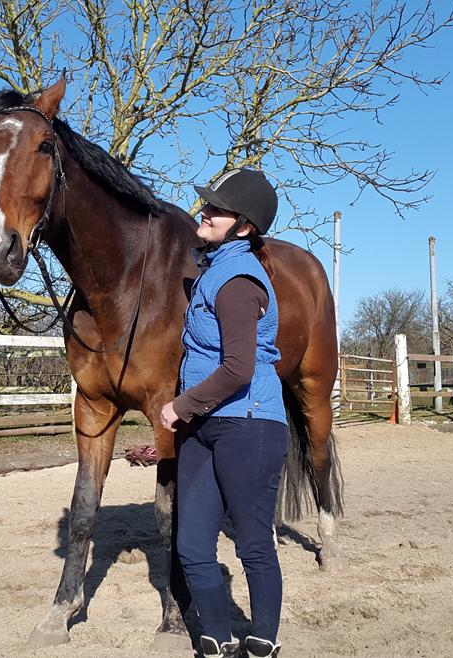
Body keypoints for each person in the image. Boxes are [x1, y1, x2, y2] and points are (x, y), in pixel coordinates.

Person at [159, 168, 287, 658]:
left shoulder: (237, 280)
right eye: (206, 204)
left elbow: (238, 368)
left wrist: (179, 406)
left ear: (244, 227)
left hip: (249, 426)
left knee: (253, 544)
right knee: (191, 546)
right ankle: (217, 639)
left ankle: (264, 642)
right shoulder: (212, 271)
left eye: (216, 208)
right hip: (206, 426)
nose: (204, 212)